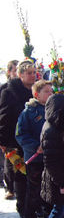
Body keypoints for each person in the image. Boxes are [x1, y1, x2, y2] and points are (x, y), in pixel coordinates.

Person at [16, 80, 53, 218]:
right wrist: (34, 146)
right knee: (34, 190)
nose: (50, 94)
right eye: (47, 91)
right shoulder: (28, 112)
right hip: (35, 158)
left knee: (50, 191)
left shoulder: (53, 110)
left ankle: (48, 217)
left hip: (50, 158)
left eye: (51, 91)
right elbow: (20, 134)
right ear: (37, 94)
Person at [0, 61, 34, 211]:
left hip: (33, 140)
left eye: (34, 73)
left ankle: (34, 205)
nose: (33, 76)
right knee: (20, 175)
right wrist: (3, 141)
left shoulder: (36, 90)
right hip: (15, 139)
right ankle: (23, 207)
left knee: (34, 175)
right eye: (29, 73)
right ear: (20, 75)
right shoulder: (9, 92)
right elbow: (4, 117)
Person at [0, 60, 18, 189]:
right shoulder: (4, 89)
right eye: (14, 70)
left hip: (21, 127)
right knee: (9, 159)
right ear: (9, 72)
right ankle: (10, 187)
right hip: (8, 127)